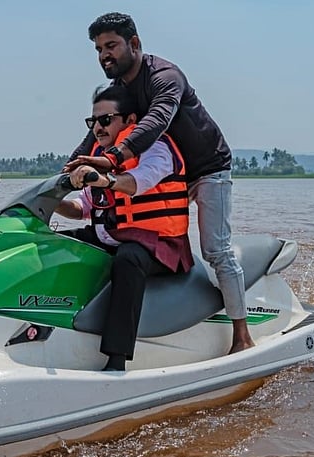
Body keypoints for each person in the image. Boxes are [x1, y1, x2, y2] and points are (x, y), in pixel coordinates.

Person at [65, 12, 255, 354]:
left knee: (216, 250)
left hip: (206, 168)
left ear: (134, 44)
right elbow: (91, 136)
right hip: (165, 171)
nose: (104, 55)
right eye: (98, 49)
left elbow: (156, 121)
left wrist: (113, 158)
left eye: (111, 46)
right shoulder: (120, 90)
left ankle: (242, 336)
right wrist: (65, 174)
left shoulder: (165, 77)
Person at [57, 85, 191, 371]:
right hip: (111, 236)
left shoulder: (156, 148)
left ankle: (116, 360)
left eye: (105, 120)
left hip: (160, 244)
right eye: (93, 122)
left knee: (128, 258)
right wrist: (50, 201)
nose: (98, 128)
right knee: (55, 245)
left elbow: (138, 181)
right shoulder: (97, 154)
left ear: (130, 120)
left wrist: (104, 180)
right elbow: (83, 208)